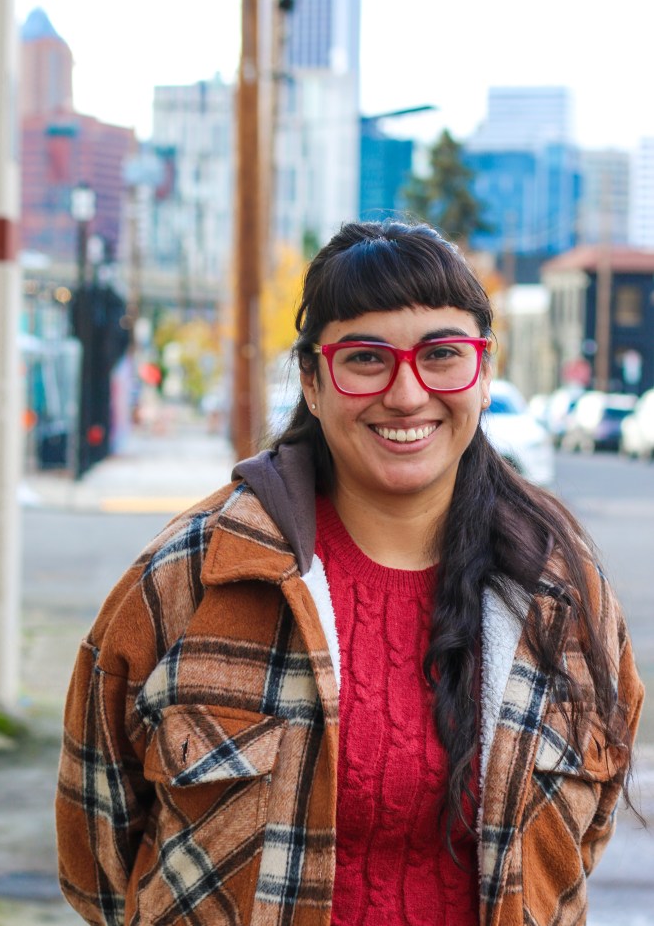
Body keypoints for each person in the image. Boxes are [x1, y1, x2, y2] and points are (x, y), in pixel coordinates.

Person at [56, 220, 644, 926]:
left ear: (484, 373)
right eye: (366, 358)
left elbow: (577, 844)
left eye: (443, 354)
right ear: (312, 380)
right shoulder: (191, 577)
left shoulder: (561, 594)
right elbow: (96, 860)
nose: (407, 394)